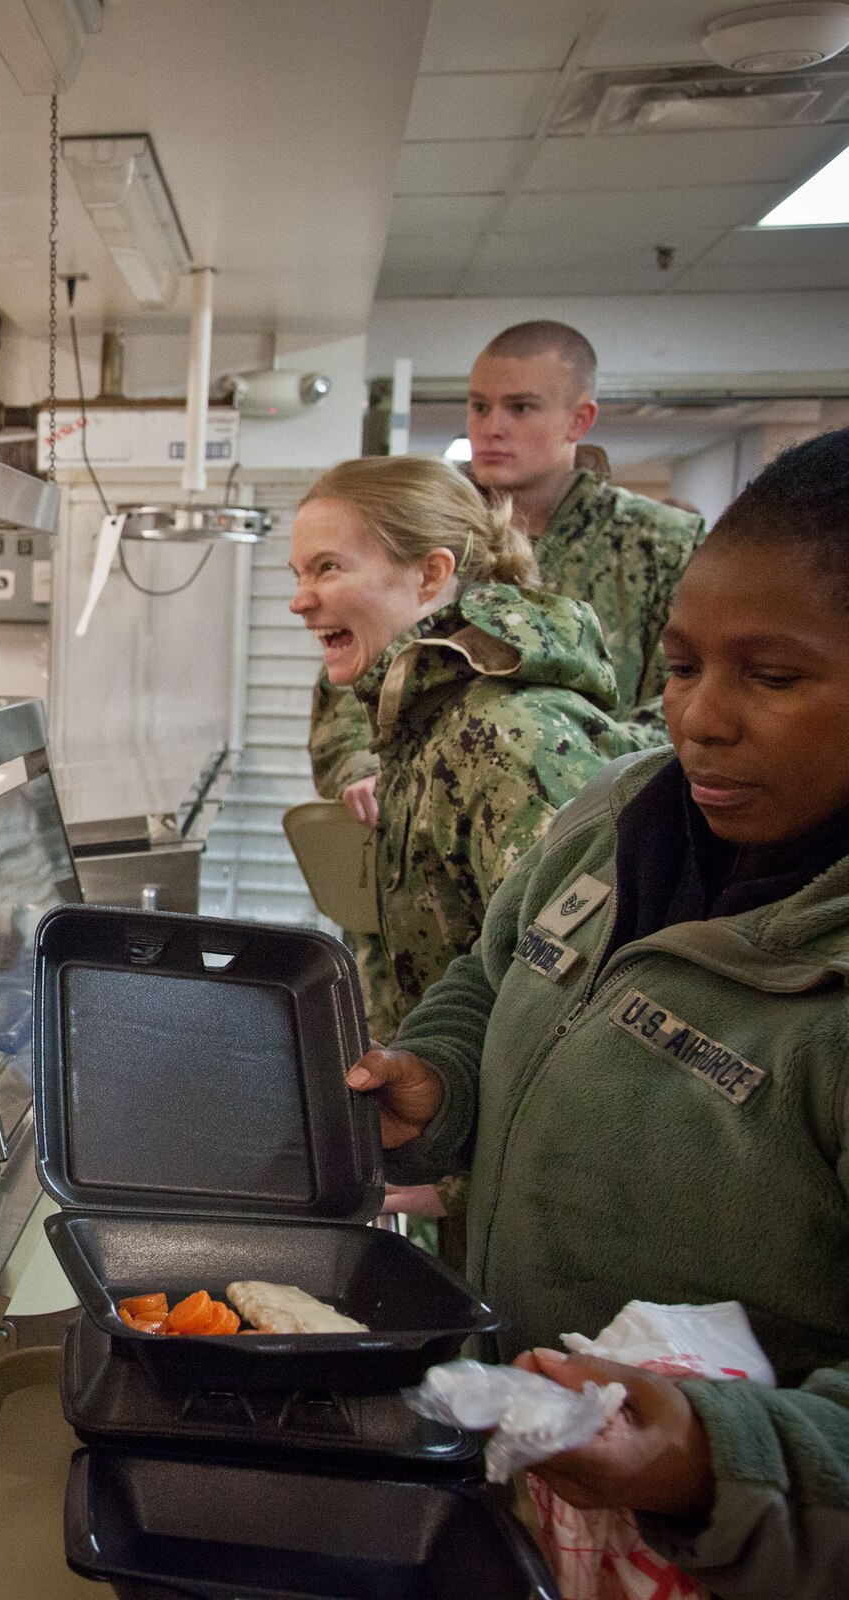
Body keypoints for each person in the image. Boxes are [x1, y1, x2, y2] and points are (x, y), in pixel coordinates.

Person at [350, 428, 849, 1598]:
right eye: (678, 666)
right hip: (528, 1492)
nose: (699, 721)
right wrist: (439, 1079)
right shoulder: (622, 809)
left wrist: (707, 1459)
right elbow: (490, 969)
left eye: (769, 677)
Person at [289, 455, 638, 1041]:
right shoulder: (419, 727)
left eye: (326, 569)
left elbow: (578, 996)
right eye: (296, 574)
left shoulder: (507, 736)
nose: (300, 601)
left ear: (430, 575)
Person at [312, 321, 706, 828]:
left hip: (604, 834)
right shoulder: (433, 533)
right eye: (479, 406)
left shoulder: (662, 544)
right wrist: (365, 772)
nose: (491, 426)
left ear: (579, 420)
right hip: (427, 831)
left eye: (520, 408)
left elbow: (693, 691)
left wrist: (564, 772)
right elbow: (353, 669)